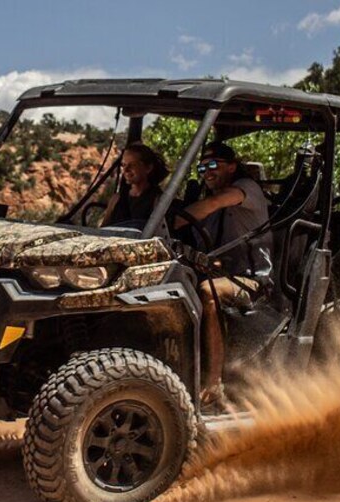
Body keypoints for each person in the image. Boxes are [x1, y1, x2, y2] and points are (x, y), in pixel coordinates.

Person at [174, 142, 272, 406]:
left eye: (213, 164)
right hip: (221, 272)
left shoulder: (245, 190)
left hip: (252, 281)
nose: (207, 171)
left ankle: (214, 381)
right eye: (202, 167)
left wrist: (167, 221)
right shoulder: (206, 203)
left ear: (231, 166)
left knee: (207, 291)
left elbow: (218, 201)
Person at [101, 142, 168, 227]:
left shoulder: (158, 201)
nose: (126, 170)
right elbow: (102, 230)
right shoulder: (116, 199)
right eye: (123, 165)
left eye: (132, 165)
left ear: (148, 168)